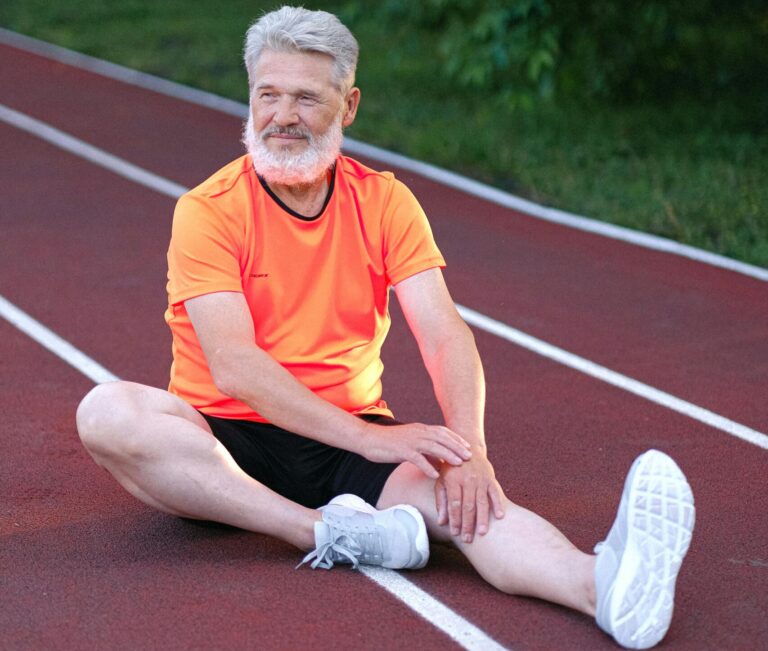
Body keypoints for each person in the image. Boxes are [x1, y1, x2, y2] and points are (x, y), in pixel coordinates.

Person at [75, 6, 695, 649]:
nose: (282, 115)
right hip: (225, 442)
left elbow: (444, 330)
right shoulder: (208, 211)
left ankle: (602, 586)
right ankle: (319, 531)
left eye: (307, 98)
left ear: (348, 107)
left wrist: (468, 450)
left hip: (351, 436)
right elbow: (234, 364)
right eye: (268, 95)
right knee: (108, 413)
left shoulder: (385, 201)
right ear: (250, 99)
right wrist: (369, 442)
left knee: (471, 503)